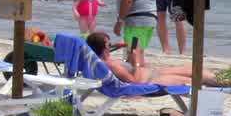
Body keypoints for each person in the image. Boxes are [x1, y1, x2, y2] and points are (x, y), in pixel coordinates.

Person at [86, 31, 222, 88]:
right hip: (150, 80)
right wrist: (136, 61)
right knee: (192, 82)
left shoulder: (105, 61)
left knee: (192, 70)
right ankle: (228, 83)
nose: (111, 45)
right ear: (102, 47)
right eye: (109, 44)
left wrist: (132, 59)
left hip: (152, 73)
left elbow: (128, 72)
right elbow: (135, 82)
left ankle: (227, 79)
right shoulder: (110, 65)